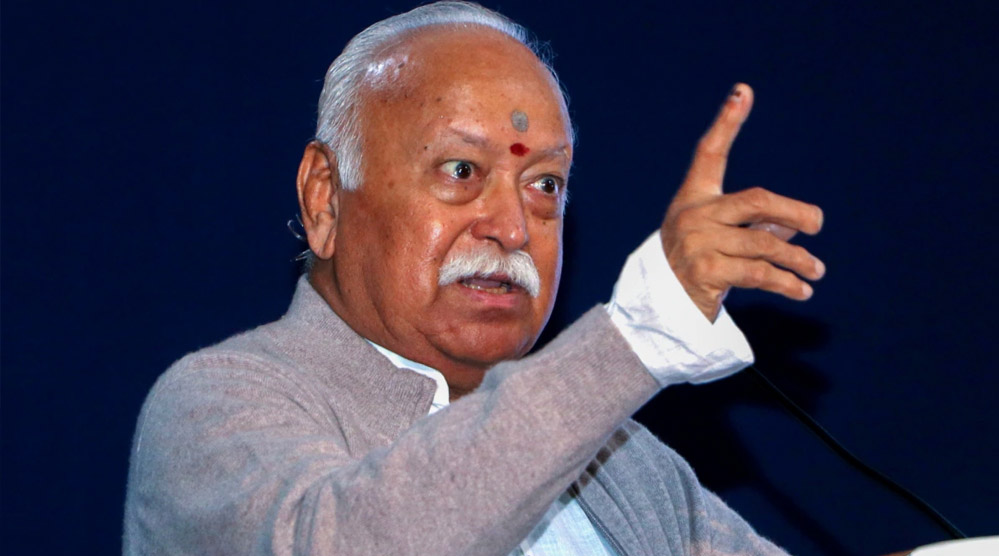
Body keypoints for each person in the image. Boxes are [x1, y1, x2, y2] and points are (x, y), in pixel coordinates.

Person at [123, 2, 824, 555]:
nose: (513, 228)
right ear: (326, 199)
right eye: (461, 171)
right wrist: (638, 336)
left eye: (544, 184)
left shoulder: (622, 462)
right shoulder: (213, 405)